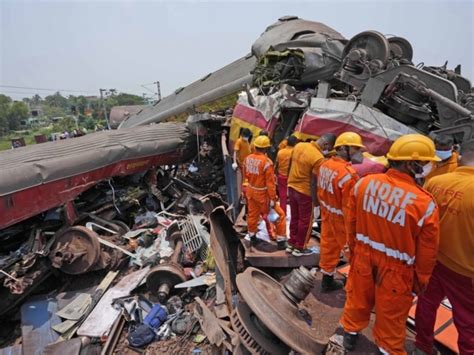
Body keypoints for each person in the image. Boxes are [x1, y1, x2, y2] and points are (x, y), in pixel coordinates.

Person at [340, 134, 440, 354]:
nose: (428, 166)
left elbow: (351, 223)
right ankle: (385, 350)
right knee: (391, 319)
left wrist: (355, 251)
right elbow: (427, 252)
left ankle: (349, 334)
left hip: (363, 258)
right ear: (410, 163)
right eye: (425, 162)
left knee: (357, 300)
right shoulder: (424, 203)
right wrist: (419, 282)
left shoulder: (364, 184)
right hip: (397, 271)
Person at [414, 144, 474, 355]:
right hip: (465, 272)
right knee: (468, 323)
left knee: (426, 304)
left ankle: (421, 346)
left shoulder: (436, 182)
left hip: (434, 260)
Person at [317, 132, 363, 292]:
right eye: (356, 148)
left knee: (328, 246)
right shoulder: (348, 175)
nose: (359, 153)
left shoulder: (325, 165)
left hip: (327, 212)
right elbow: (349, 208)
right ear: (343, 148)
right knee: (353, 252)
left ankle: (327, 280)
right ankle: (355, 289)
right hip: (341, 220)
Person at [286, 133, 336, 256]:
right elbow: (314, 182)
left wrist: (288, 181)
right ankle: (300, 247)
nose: (327, 151)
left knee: (294, 217)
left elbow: (289, 166)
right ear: (326, 144)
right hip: (305, 192)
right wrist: (316, 202)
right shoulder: (318, 158)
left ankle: (291, 243)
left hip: (291, 187)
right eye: (328, 148)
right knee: (306, 221)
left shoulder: (299, 146)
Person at [243, 136, 286, 246]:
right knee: (279, 215)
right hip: (263, 195)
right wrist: (273, 198)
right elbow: (270, 183)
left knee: (253, 216)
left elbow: (245, 175)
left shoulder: (247, 158)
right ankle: (281, 241)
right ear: (266, 148)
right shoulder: (267, 162)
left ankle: (252, 237)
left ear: (255, 146)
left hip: (251, 191)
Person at [275, 135, 298, 213]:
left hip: (281, 176)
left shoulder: (280, 152)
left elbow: (276, 165)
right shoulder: (295, 152)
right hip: (292, 177)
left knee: (282, 195)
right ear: (295, 143)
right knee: (293, 197)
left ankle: (282, 212)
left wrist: (275, 174)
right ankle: (293, 213)